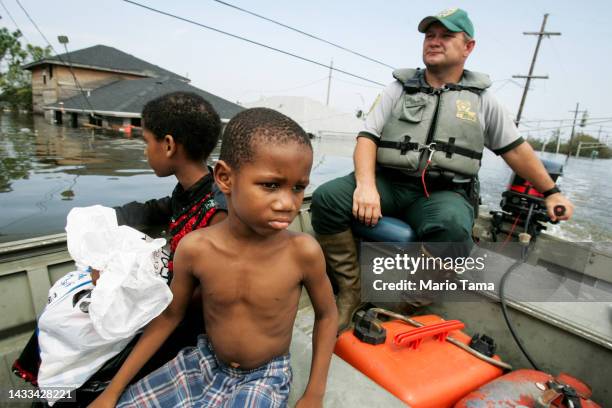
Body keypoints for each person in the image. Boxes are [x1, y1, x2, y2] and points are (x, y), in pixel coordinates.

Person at [310, 7, 575, 331]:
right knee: (327, 198)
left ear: (468, 47)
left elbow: (517, 151)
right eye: (429, 35)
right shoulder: (399, 88)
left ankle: (409, 304)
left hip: (442, 193)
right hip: (388, 183)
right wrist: (366, 185)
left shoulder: (484, 100)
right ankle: (351, 291)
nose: (434, 41)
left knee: (451, 229)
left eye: (446, 36)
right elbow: (367, 138)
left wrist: (551, 192)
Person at [89, 107, 338, 408]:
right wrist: (112, 392)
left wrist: (314, 393)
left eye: (298, 188)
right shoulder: (195, 249)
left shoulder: (303, 252)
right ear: (224, 178)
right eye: (270, 185)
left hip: (262, 377)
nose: (288, 203)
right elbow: (170, 316)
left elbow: (326, 315)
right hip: (203, 362)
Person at [13, 91, 227, 406]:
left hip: (183, 321)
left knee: (86, 352)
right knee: (60, 313)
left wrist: (123, 288)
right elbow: (151, 211)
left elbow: (199, 295)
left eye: (146, 141)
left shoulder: (218, 211)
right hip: (162, 300)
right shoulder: (189, 191)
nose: (145, 151)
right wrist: (95, 222)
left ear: (167, 145)